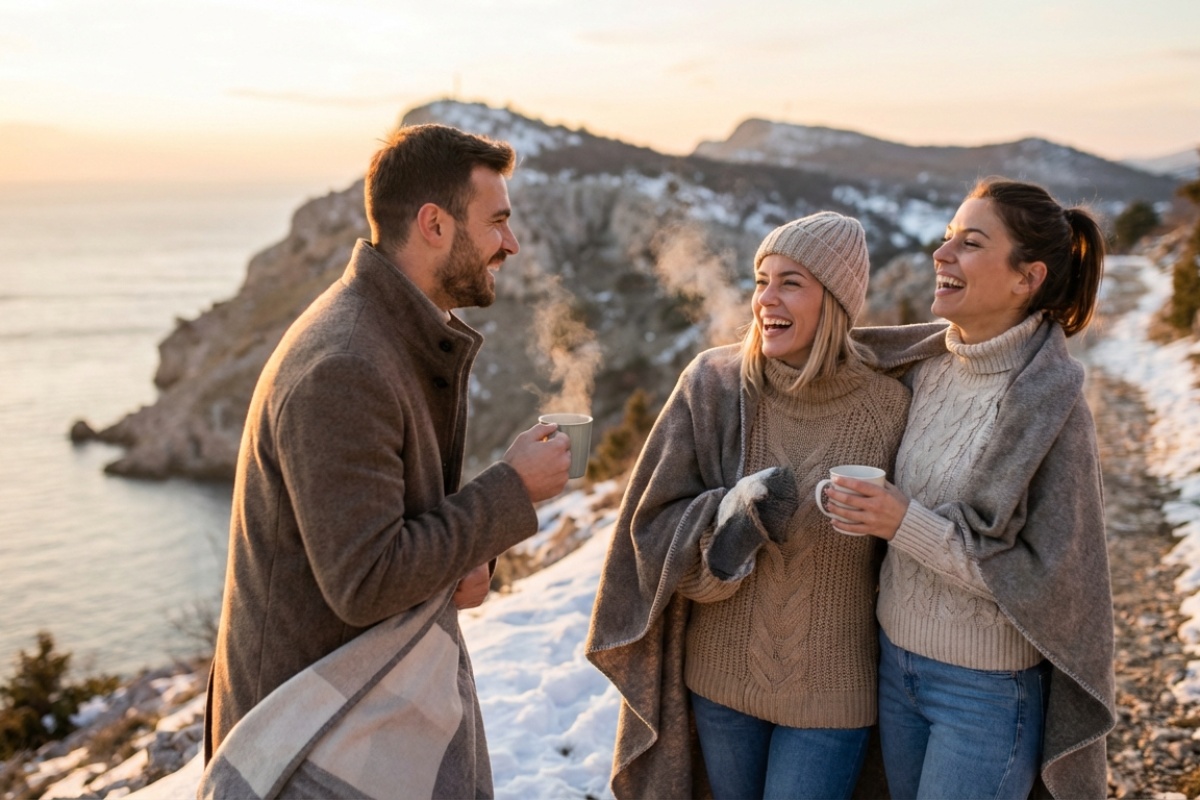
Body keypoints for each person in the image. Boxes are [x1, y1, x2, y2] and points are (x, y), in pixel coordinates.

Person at [201, 123, 571, 797]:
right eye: (497, 222)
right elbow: (367, 579)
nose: (510, 244)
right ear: (434, 224)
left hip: (352, 724)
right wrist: (511, 490)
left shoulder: (385, 337)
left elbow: (382, 532)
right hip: (307, 745)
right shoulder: (345, 364)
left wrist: (465, 556)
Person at [587, 212, 911, 799]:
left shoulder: (890, 407)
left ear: (834, 300)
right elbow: (652, 533)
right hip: (719, 683)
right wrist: (731, 528)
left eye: (791, 282)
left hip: (834, 695)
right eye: (761, 280)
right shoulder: (716, 385)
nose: (766, 299)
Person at [833, 177, 1116, 799]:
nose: (942, 255)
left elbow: (1043, 583)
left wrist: (900, 521)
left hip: (983, 689)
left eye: (970, 243)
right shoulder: (923, 366)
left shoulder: (1049, 409)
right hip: (891, 662)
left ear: (1027, 278)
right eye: (946, 238)